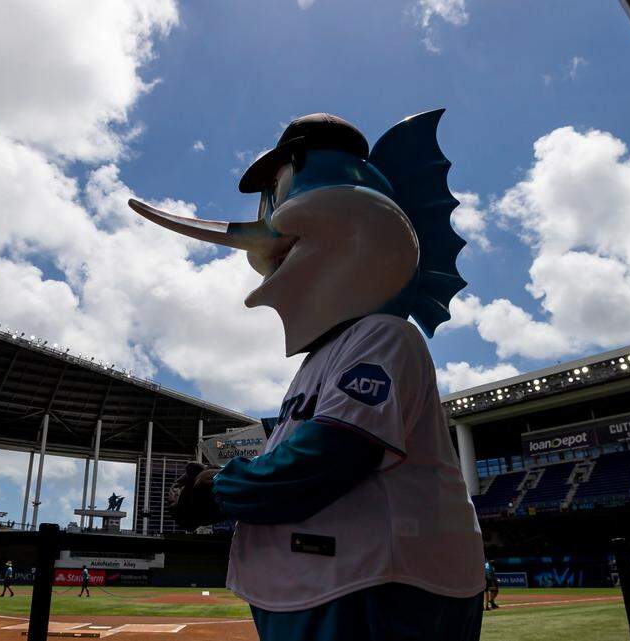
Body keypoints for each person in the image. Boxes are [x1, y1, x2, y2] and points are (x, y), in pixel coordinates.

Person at [134, 111, 484, 640]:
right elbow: (295, 461)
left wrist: (217, 487)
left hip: (376, 589)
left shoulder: (384, 335)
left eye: (277, 187)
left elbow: (329, 459)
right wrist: (224, 483)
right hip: (321, 586)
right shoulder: (323, 358)